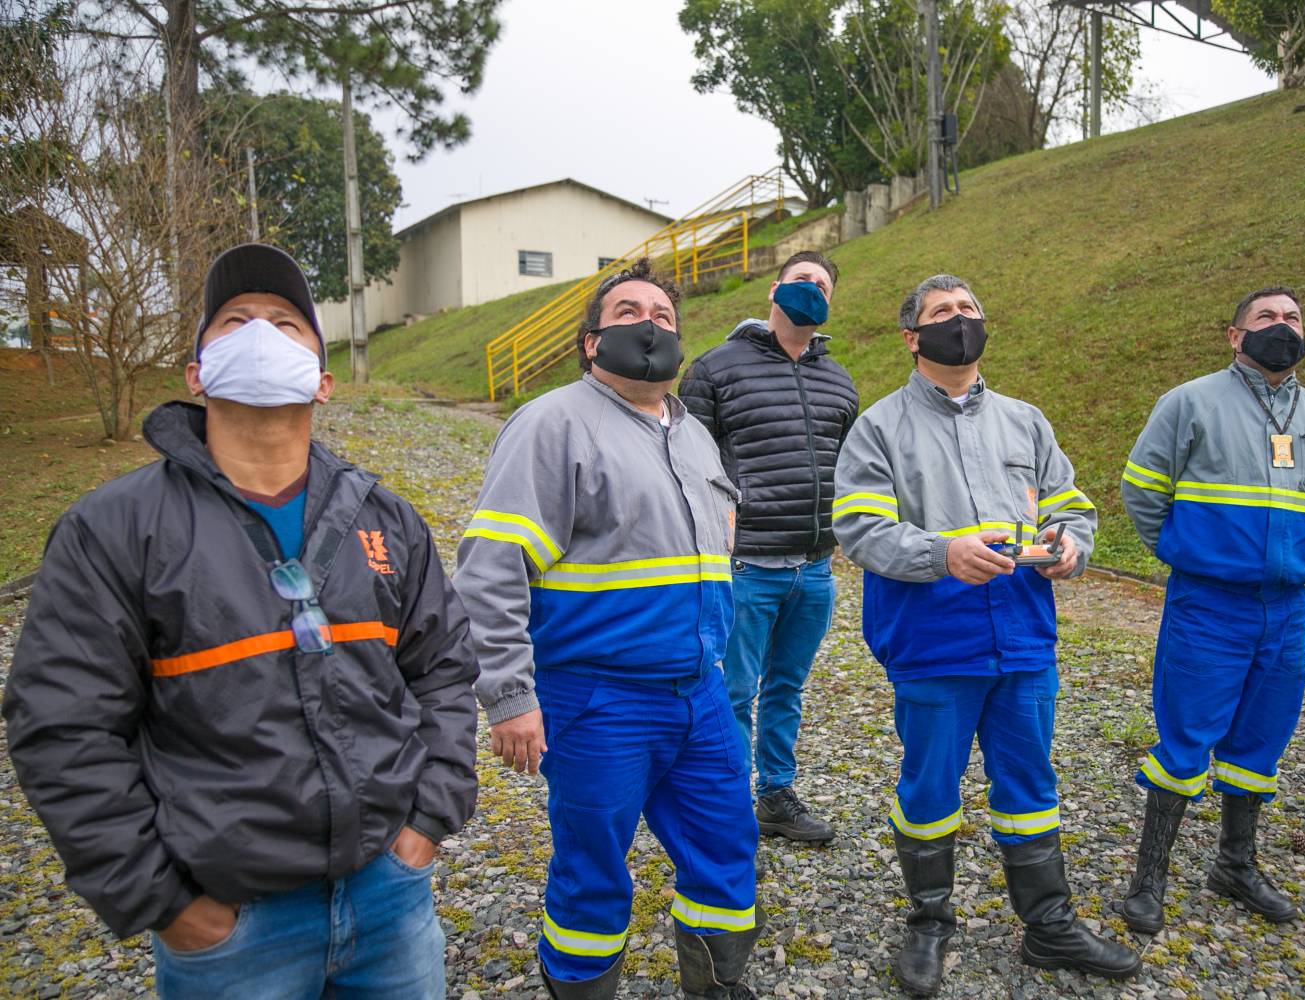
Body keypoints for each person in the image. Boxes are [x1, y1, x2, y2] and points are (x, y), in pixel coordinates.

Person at [3, 243, 479, 999]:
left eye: (287, 322)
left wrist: (426, 825)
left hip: (390, 894)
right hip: (230, 931)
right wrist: (166, 903)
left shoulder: (385, 519)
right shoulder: (115, 529)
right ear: (196, 373)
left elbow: (444, 669)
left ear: (323, 381)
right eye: (234, 320)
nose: (261, 331)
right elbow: (62, 728)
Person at [454, 259, 762, 999]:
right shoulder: (552, 423)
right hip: (600, 701)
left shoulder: (693, 436)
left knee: (727, 847)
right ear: (591, 342)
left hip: (700, 692)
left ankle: (717, 985)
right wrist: (510, 696)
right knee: (593, 870)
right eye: (628, 311)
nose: (649, 323)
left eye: (661, 312)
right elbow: (489, 568)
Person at [833, 274, 1140, 995]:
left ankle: (1049, 925)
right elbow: (861, 529)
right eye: (942, 313)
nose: (960, 321)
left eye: (969, 310)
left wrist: (1070, 545)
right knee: (931, 787)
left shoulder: (1024, 420)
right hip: (934, 642)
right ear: (912, 337)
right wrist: (942, 553)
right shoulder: (879, 427)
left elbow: (1071, 505)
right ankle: (930, 921)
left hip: (1024, 639)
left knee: (1031, 783)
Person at [1117, 286, 1305, 935]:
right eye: (1267, 317)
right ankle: (1149, 879)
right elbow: (1141, 492)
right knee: (1186, 738)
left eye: (1293, 317)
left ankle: (1235, 865)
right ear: (1234, 334)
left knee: (1260, 740)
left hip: (1286, 610)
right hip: (1209, 605)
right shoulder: (1189, 403)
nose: (1282, 327)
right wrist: (1186, 552)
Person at [678, 250, 858, 844]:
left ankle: (776, 794)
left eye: (823, 285)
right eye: (802, 279)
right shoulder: (714, 369)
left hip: (815, 567)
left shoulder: (838, 379)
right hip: (746, 564)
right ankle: (726, 809)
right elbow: (685, 463)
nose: (812, 289)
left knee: (787, 688)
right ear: (775, 290)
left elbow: (853, 468)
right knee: (732, 692)